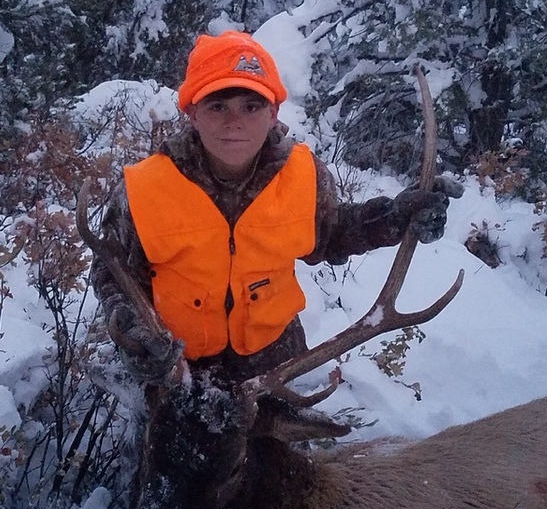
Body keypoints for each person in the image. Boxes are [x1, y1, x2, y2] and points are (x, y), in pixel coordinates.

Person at [91, 30, 462, 386]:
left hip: (274, 370)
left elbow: (331, 233)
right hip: (178, 372)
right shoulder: (145, 188)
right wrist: (135, 331)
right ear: (192, 113)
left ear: (273, 113)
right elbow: (113, 270)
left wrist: (393, 218)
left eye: (252, 106)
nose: (234, 122)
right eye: (217, 105)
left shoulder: (302, 175)